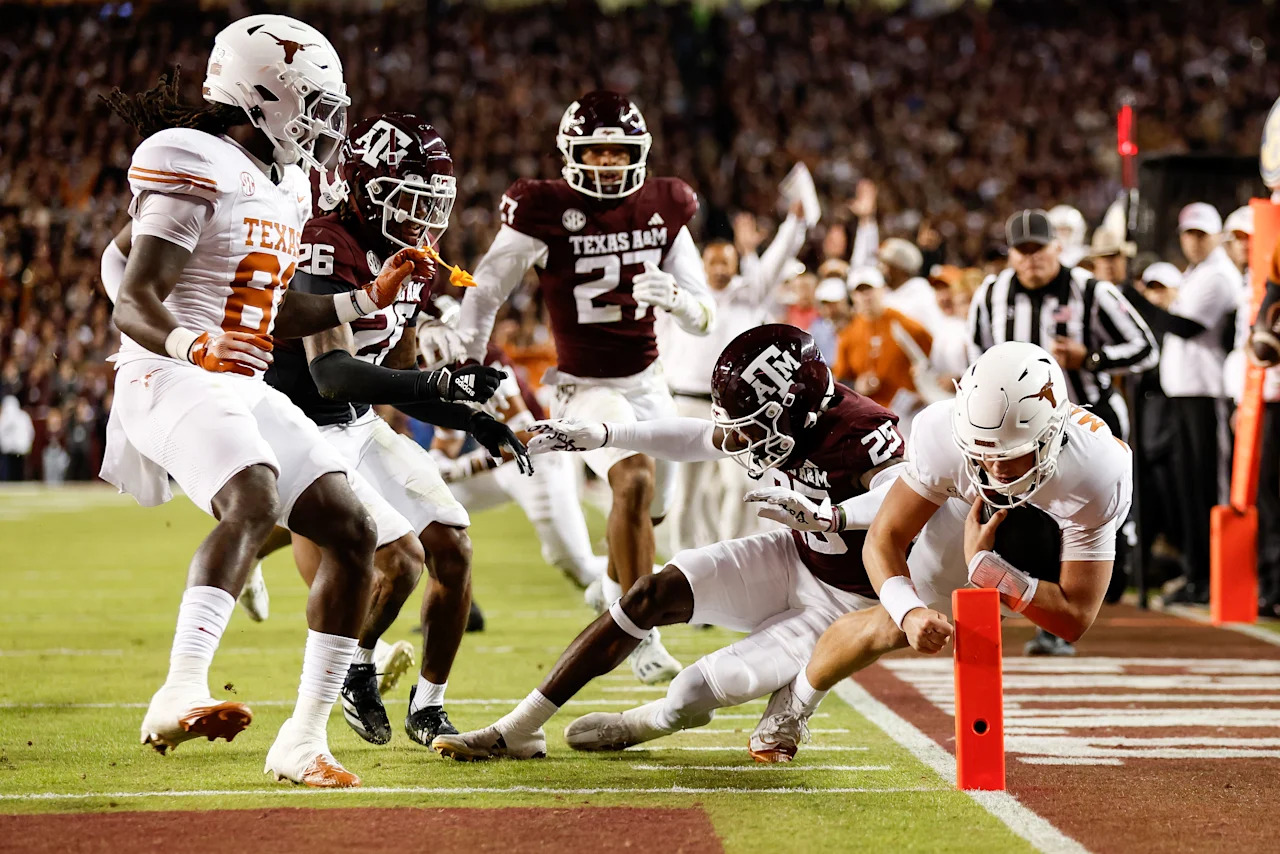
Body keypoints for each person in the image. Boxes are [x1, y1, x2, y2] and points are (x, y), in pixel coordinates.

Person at [97, 15, 435, 788]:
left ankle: (304, 741)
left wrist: (363, 299)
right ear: (262, 95)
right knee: (251, 496)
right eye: (313, 105)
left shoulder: (287, 183)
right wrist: (191, 345)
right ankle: (178, 691)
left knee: (351, 531)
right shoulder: (194, 160)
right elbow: (136, 300)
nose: (324, 124)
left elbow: (269, 315)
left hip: (235, 380)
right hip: (168, 372)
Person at [427, 325, 904, 761]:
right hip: (793, 556)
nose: (740, 440)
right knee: (649, 593)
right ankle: (521, 728)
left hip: (844, 603)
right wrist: (607, 434)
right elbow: (703, 437)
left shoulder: (866, 432)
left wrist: (833, 516)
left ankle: (645, 722)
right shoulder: (788, 415)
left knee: (689, 694)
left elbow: (901, 499)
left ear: (792, 407)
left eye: (753, 426)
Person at [262, 113, 528, 748]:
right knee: (400, 562)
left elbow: (402, 372)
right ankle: (355, 664)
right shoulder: (327, 242)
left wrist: (471, 418)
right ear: (364, 187)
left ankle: (429, 706)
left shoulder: (418, 258)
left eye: (430, 204)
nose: (421, 218)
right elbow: (332, 374)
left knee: (455, 549)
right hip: (304, 427)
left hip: (354, 424)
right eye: (408, 200)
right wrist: (442, 390)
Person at [743, 342, 1132, 760]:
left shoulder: (1097, 474)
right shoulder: (944, 432)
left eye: (1012, 455)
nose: (996, 469)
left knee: (1005, 598)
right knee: (891, 625)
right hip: (965, 507)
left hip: (1052, 526)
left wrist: (991, 572)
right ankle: (796, 700)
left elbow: (1074, 619)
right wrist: (909, 612)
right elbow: (885, 536)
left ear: (1051, 437)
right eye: (982, 451)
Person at [455, 91, 715, 685]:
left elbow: (707, 313)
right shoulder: (543, 209)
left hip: (649, 385)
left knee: (653, 509)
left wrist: (677, 300)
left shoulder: (663, 204)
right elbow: (487, 289)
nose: (604, 162)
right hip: (581, 386)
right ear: (572, 153)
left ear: (637, 154)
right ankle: (641, 632)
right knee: (635, 480)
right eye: (593, 150)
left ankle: (611, 586)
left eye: (615, 151)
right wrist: (468, 366)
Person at [968, 209, 1156, 654]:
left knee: (1080, 519)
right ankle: (1039, 615)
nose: (1032, 259)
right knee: (1023, 519)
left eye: (1040, 248)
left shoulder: (1092, 290)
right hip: (1017, 436)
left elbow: (1145, 348)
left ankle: (1077, 598)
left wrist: (1089, 358)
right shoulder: (991, 293)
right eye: (1023, 250)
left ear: (1058, 247)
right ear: (1011, 254)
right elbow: (977, 359)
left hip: (1083, 429)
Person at [661, 200, 807, 551]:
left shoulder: (749, 292)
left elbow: (777, 259)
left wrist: (794, 222)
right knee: (685, 494)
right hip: (685, 402)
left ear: (736, 263)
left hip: (736, 411)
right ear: (702, 264)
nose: (719, 267)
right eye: (713, 261)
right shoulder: (687, 297)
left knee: (739, 487)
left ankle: (729, 553)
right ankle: (684, 562)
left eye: (726, 260)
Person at [1126, 203, 1238, 604]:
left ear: (1215, 236)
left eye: (1200, 234)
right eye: (1188, 234)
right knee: (1189, 490)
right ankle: (1196, 574)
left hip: (1206, 395)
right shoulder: (1196, 275)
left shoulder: (1218, 276)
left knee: (1206, 488)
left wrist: (1138, 304)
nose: (1193, 241)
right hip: (1186, 396)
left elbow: (1187, 327)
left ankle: (1210, 576)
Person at [833, 267, 932, 427]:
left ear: (883, 290)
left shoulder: (907, 326)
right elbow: (841, 382)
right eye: (859, 291)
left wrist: (925, 391)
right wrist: (857, 386)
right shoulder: (848, 335)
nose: (866, 297)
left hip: (909, 417)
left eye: (870, 290)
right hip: (870, 418)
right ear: (852, 296)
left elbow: (935, 363)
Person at [0, 395, 33, 480]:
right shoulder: (24, 416)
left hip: (17, 451)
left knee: (16, 470)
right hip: (13, 451)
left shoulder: (6, 417)